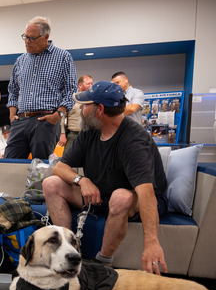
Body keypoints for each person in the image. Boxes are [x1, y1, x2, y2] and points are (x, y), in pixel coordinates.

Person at [42, 81, 169, 275]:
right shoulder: (90, 132)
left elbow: (147, 193)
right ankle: (66, 251)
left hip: (133, 199)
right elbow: (60, 167)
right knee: (51, 183)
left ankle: (102, 263)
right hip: (101, 195)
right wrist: (82, 180)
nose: (81, 109)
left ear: (99, 109)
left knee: (121, 196)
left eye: (85, 105)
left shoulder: (134, 140)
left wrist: (152, 242)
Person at [4, 16, 77, 160]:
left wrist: (58, 115)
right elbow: (13, 90)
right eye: (25, 37)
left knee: (41, 167)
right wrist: (12, 114)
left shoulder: (63, 57)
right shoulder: (21, 60)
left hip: (46, 120)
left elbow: (71, 90)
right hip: (21, 120)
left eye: (32, 38)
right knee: (9, 162)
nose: (27, 42)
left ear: (46, 37)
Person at [58, 75, 93, 154]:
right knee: (67, 161)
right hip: (73, 136)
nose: (91, 86)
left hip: (89, 136)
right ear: (80, 85)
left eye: (92, 84)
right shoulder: (71, 99)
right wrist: (62, 134)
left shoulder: (93, 100)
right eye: (88, 84)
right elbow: (62, 118)